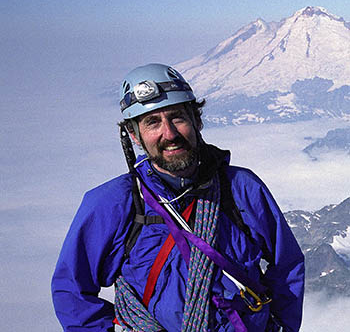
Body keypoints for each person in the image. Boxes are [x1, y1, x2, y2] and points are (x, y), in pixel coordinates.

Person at [51, 63, 305, 332]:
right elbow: (71, 291)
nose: (169, 133)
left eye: (177, 117)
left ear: (197, 121)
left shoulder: (241, 189)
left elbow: (286, 265)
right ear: (135, 136)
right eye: (152, 122)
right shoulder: (113, 204)